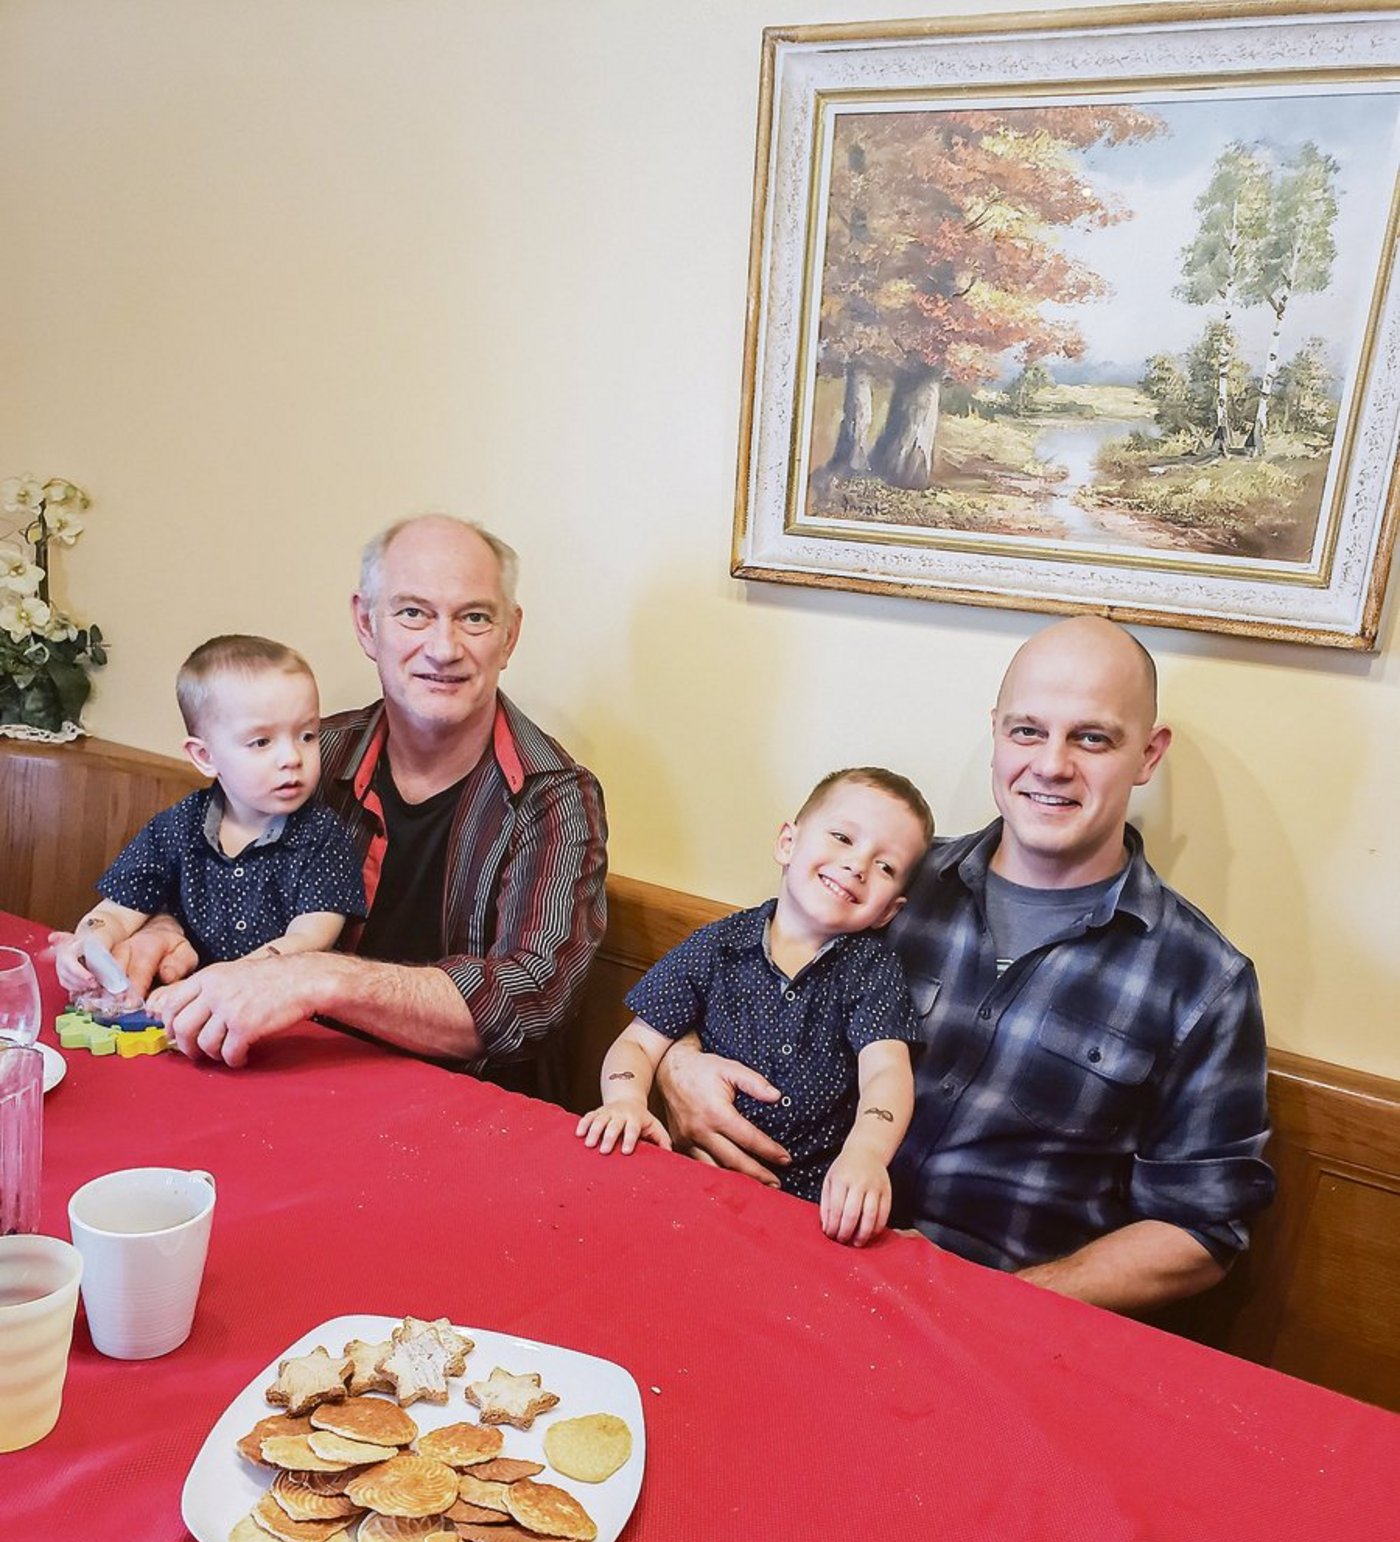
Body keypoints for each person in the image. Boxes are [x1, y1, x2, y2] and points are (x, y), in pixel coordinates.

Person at [657, 616, 1275, 1313]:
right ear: (995, 731)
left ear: (1148, 755)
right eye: (1027, 730)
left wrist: (1005, 1304)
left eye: (1092, 737)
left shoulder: (1203, 979)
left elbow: (1199, 1227)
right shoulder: (887, 883)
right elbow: (722, 976)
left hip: (994, 1323)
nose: (1050, 764)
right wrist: (678, 1066)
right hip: (782, 1251)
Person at [121, 516, 608, 1083]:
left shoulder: (553, 796)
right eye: (412, 613)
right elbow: (203, 863)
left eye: (474, 617)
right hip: (285, 1074)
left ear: (510, 636)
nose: (443, 647)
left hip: (461, 1113)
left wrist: (318, 976)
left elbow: (530, 999)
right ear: (365, 624)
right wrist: (164, 926)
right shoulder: (310, 755)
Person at [577, 767, 935, 1245]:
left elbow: (887, 1073)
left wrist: (866, 1154)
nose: (857, 865)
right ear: (788, 843)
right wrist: (625, 1102)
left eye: (885, 866)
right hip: (692, 1184)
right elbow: (639, 1045)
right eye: (842, 837)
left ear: (890, 909)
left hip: (811, 1213)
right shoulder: (716, 946)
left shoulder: (872, 971)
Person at [52, 636, 365, 999]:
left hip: (284, 1018)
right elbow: (118, 911)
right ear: (205, 756)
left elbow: (309, 939)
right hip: (180, 1008)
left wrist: (221, 982)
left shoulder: (324, 836)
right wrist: (91, 939)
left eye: (307, 735)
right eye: (261, 742)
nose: (292, 757)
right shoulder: (176, 827)